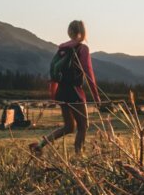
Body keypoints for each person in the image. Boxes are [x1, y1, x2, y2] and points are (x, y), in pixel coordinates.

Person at [31, 20, 100, 156]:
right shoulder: (82, 48)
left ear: (70, 32)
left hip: (62, 92)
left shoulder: (62, 49)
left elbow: (55, 74)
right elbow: (88, 73)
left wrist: (54, 95)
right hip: (75, 92)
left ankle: (39, 145)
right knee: (83, 126)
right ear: (83, 32)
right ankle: (78, 156)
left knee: (69, 127)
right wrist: (96, 95)